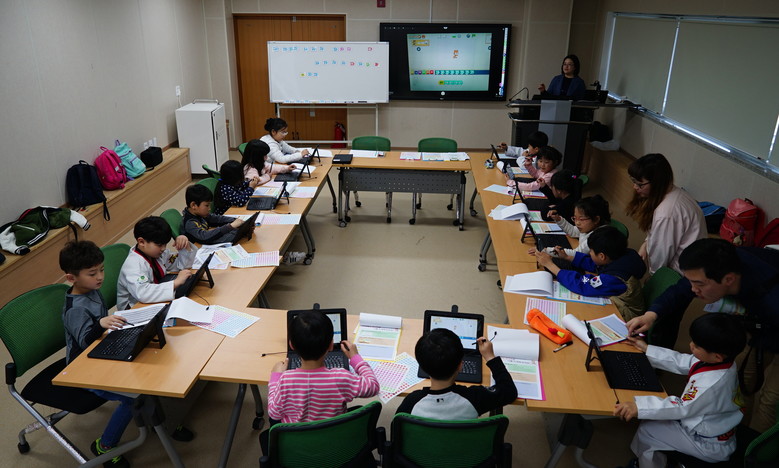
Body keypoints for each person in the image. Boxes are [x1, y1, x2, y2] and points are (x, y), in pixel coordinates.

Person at [627, 239, 779, 432]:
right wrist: (651, 315)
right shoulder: (716, 264)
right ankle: (735, 430)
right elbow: (680, 290)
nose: (693, 289)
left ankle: (753, 445)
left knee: (770, 399)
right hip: (760, 320)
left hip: (772, 318)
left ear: (729, 280)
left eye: (698, 284)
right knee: (741, 384)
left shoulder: (771, 298)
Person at [614, 313, 747, 468]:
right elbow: (683, 361)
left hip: (707, 444)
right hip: (714, 427)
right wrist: (647, 349)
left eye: (697, 346)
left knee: (648, 431)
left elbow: (682, 407)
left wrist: (639, 406)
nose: (691, 345)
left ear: (717, 357)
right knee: (654, 420)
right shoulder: (723, 362)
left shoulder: (711, 384)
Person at [60, 241, 134, 467]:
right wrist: (101, 324)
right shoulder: (76, 309)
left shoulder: (91, 289)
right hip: (82, 368)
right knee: (132, 397)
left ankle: (152, 414)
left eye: (101, 270)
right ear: (71, 278)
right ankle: (105, 445)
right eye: (92, 273)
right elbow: (84, 342)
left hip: (100, 350)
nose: (100, 277)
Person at [262, 310, 379, 452]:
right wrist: (355, 358)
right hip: (334, 444)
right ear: (331, 345)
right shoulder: (341, 378)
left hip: (298, 447)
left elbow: (274, 414)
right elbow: (373, 386)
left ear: (291, 345)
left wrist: (275, 377)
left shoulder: (285, 380)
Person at [396, 328, 517, 418]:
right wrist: (490, 357)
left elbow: (397, 430)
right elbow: (509, 391)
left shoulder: (411, 402)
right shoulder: (475, 398)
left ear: (421, 366)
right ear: (460, 366)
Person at [535, 226, 646, 320]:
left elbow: (583, 284)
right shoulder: (621, 257)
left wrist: (551, 266)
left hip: (626, 316)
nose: (590, 253)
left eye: (591, 251)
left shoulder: (614, 278)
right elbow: (597, 265)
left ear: (602, 256)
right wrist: (567, 257)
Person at [625, 153, 706, 275]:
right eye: (633, 181)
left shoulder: (666, 213)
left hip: (682, 273)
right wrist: (646, 244)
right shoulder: (675, 193)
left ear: (657, 182)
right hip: (690, 262)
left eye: (640, 184)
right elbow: (658, 236)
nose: (635, 187)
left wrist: (654, 278)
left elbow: (660, 256)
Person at [117, 216, 197, 311]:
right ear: (141, 242)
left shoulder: (155, 254)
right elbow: (143, 293)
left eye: (165, 244)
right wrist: (175, 283)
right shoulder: (133, 265)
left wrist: (185, 246)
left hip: (153, 300)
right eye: (159, 245)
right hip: (133, 309)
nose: (163, 248)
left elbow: (181, 265)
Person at [541, 195, 611, 259]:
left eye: (581, 219)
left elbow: (576, 254)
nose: (577, 223)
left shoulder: (598, 237)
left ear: (596, 219)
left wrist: (547, 250)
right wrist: (559, 219)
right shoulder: (588, 227)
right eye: (575, 218)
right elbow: (573, 231)